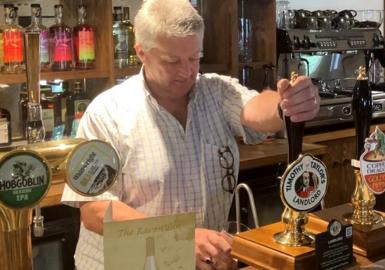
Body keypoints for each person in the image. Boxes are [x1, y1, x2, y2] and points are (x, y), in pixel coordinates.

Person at [61, 0, 320, 269]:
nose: (186, 72)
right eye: (172, 61)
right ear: (142, 53)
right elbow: (95, 210)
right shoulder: (107, 113)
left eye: (195, 58)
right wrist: (178, 240)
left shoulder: (215, 92)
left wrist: (285, 104)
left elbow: (254, 109)